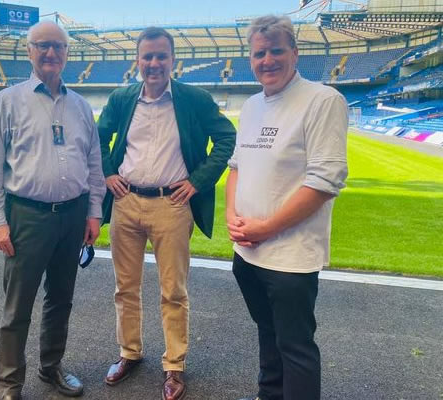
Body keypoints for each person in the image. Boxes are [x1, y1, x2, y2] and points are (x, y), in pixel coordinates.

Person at [97, 26, 236, 400]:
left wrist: (199, 181)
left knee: (173, 291)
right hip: (126, 204)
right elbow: (99, 137)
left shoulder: (194, 99)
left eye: (161, 56)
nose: (154, 63)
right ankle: (129, 353)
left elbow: (227, 137)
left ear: (174, 60)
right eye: (147, 56)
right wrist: (109, 171)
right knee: (125, 288)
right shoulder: (122, 98)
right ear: (138, 61)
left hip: (173, 206)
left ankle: (174, 366)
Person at [0, 21, 106, 400]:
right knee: (18, 306)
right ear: (29, 50)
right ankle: (9, 384)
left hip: (73, 215)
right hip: (27, 217)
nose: (51, 53)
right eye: (43, 46)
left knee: (60, 298)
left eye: (58, 47)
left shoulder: (82, 106)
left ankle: (51, 368)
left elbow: (95, 163)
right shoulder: (8, 100)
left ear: (67, 53)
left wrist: (94, 212)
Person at [225, 15, 348, 400]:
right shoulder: (251, 106)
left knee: (296, 348)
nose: (268, 60)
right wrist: (232, 216)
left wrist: (266, 228)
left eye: (276, 50)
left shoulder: (322, 100)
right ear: (251, 58)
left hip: (290, 258)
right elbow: (236, 168)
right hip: (247, 252)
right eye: (259, 53)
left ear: (294, 52)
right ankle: (269, 394)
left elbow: (324, 182)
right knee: (267, 333)